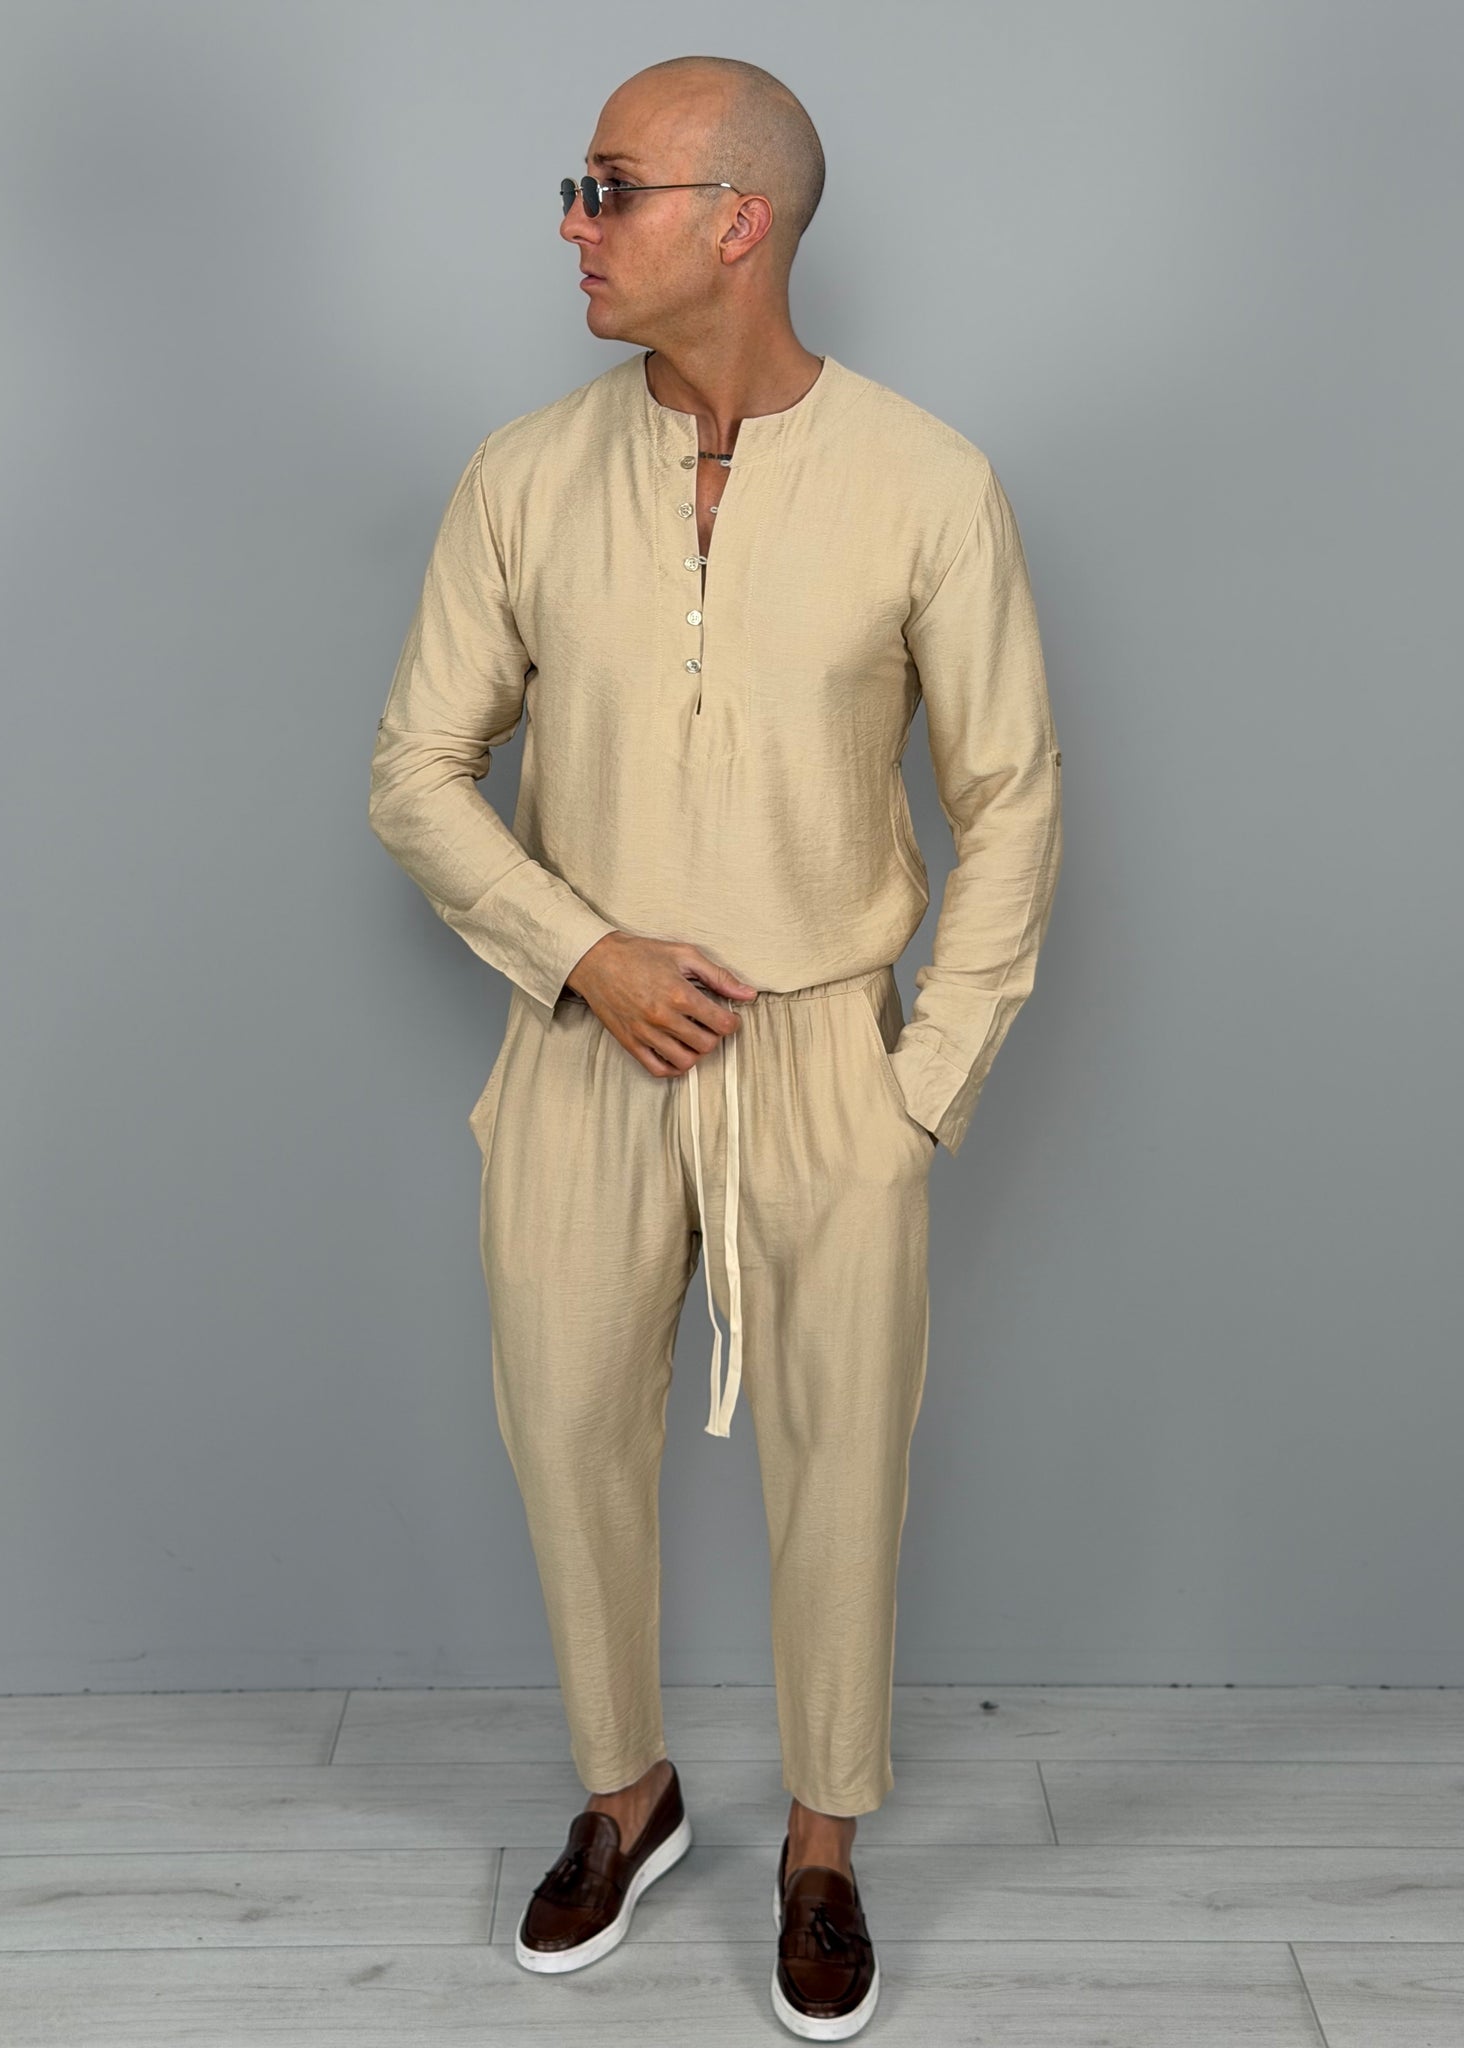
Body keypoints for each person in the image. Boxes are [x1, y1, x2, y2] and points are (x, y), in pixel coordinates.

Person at [368, 53, 1063, 2040]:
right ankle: (627, 1796)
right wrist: (579, 953)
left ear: (737, 222)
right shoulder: (520, 476)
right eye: (577, 187)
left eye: (612, 188)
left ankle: (823, 1846)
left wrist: (920, 1088)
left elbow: (1010, 796)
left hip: (829, 1051)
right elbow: (414, 768)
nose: (572, 223)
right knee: (565, 1426)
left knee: (846, 1460)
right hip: (583, 1047)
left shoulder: (927, 482)